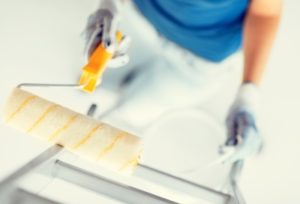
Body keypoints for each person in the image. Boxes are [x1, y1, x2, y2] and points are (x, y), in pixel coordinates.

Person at [83, 0, 282, 164]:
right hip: (139, 17)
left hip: (199, 60)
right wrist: (109, 5)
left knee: (129, 114)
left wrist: (248, 96)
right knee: (100, 86)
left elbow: (265, 13)